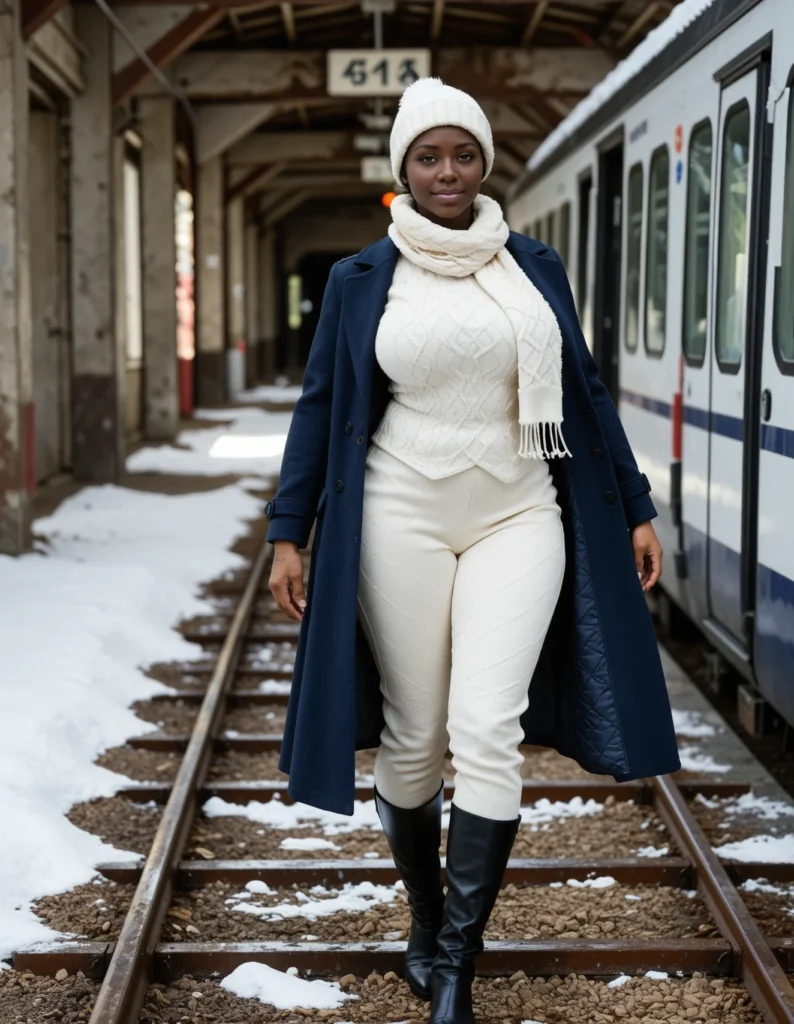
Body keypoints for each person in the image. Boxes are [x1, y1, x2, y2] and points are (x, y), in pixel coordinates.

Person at [265, 77, 680, 1024]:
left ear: (483, 163)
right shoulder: (360, 279)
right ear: (403, 171)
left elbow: (583, 387)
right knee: (414, 735)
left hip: (519, 511)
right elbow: (321, 407)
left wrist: (632, 506)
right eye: (428, 156)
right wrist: (289, 530)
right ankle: (423, 920)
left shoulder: (534, 266)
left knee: (487, 724)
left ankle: (455, 964)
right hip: (398, 512)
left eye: (462, 154)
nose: (447, 171)